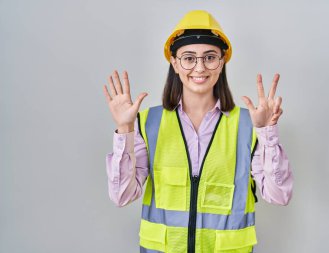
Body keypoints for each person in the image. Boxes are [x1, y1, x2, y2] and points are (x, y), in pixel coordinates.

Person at [103, 10, 293, 253]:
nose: (200, 67)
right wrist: (125, 129)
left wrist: (267, 133)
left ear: (222, 61)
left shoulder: (248, 126)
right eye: (189, 58)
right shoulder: (147, 122)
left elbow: (279, 195)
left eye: (210, 57)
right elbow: (121, 196)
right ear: (174, 63)